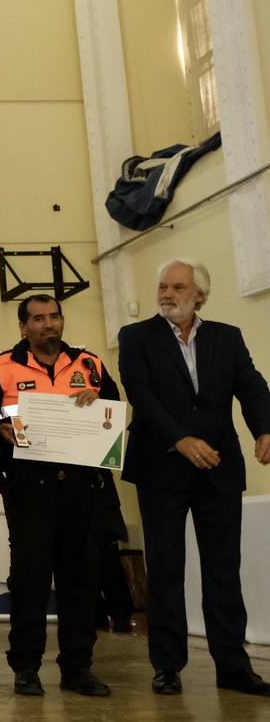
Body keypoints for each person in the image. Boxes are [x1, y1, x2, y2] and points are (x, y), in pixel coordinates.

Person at [118, 259, 270, 696]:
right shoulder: (136, 337)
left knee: (223, 569)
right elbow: (140, 394)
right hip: (161, 465)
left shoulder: (227, 336)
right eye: (162, 286)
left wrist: (264, 427)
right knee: (165, 569)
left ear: (199, 294)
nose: (167, 293)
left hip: (219, 468)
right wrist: (180, 439)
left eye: (178, 287)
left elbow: (252, 384)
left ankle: (233, 665)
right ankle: (167, 665)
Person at [0, 294, 119, 698]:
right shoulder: (0, 367)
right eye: (38, 319)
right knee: (31, 580)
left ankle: (77, 667)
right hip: (29, 487)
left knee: (81, 581)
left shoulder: (89, 364)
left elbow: (115, 413)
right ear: (23, 327)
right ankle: (26, 668)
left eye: (54, 317)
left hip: (82, 488)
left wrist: (99, 406)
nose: (48, 324)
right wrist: (3, 428)